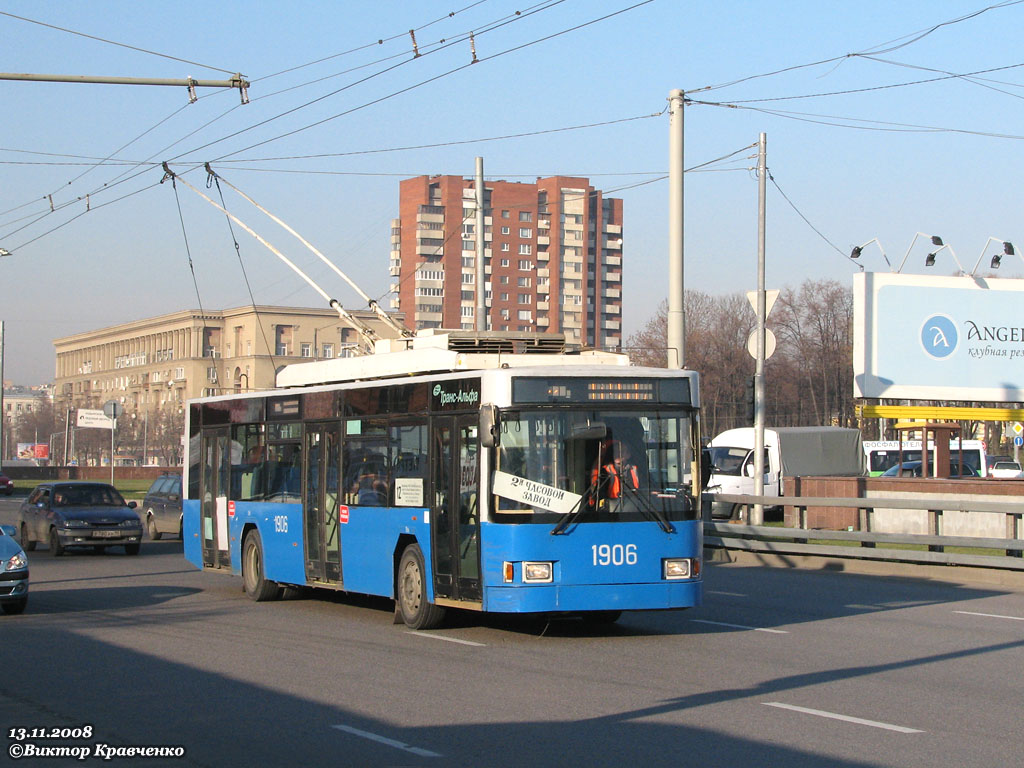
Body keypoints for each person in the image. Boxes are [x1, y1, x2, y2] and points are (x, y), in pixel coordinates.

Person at [590, 439, 639, 508]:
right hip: (613, 510)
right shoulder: (605, 471)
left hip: (636, 509)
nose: (618, 454)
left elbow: (644, 488)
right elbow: (600, 495)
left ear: (628, 455)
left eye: (621, 451)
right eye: (615, 451)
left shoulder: (635, 470)